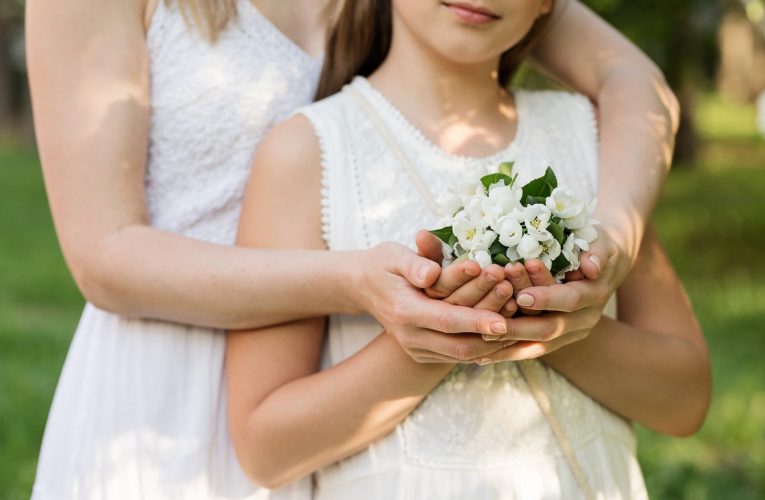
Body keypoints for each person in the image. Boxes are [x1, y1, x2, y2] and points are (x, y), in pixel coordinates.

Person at [26, 0, 679, 498]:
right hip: (169, 379)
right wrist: (359, 285)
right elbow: (103, 256)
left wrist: (609, 246)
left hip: (342, 377)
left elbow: (633, 80)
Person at [226, 0, 711, 498]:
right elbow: (265, 450)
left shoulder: (597, 139)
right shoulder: (308, 153)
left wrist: (555, 319)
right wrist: (444, 332)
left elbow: (686, 399)